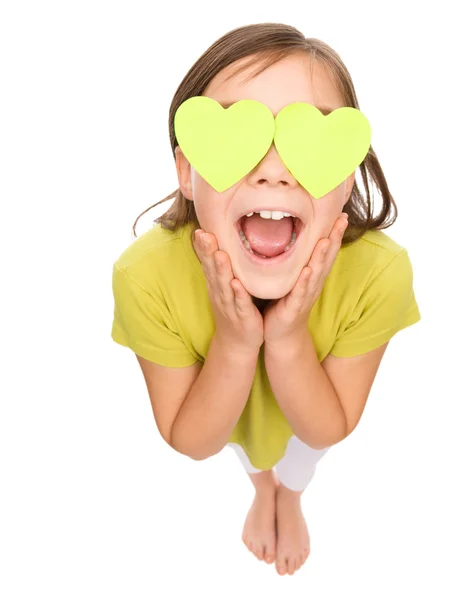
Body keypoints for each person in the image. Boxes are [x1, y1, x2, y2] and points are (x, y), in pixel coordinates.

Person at [110, 22, 421, 577]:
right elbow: (195, 438)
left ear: (346, 179)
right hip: (222, 409)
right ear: (188, 172)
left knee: (302, 455)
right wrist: (233, 346)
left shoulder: (379, 273)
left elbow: (326, 427)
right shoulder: (146, 277)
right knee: (247, 445)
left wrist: (287, 338)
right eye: (239, 139)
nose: (274, 171)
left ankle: (291, 496)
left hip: (312, 407)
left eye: (307, 142)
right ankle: (262, 487)